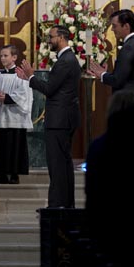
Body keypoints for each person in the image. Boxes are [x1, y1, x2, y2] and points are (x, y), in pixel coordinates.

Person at [16, 24, 81, 209]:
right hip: (63, 119)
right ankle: (66, 205)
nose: (49, 41)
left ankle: (56, 207)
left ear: (61, 37)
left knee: (57, 166)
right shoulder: (68, 59)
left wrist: (30, 77)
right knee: (63, 165)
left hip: (59, 121)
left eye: (51, 37)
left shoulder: (65, 61)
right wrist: (29, 78)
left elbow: (50, 89)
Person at [0, 45, 33, 184]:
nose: (2, 58)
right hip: (2, 116)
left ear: (14, 57)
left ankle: (14, 174)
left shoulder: (21, 76)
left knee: (15, 145)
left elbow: (24, 95)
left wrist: (6, 98)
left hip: (16, 117)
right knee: (2, 145)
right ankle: (1, 174)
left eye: (5, 55)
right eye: (1, 55)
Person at [87, 8, 134, 91]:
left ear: (126, 26)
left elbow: (118, 81)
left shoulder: (129, 47)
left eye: (114, 26)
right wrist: (105, 74)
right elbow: (126, 76)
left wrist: (102, 74)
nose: (112, 29)